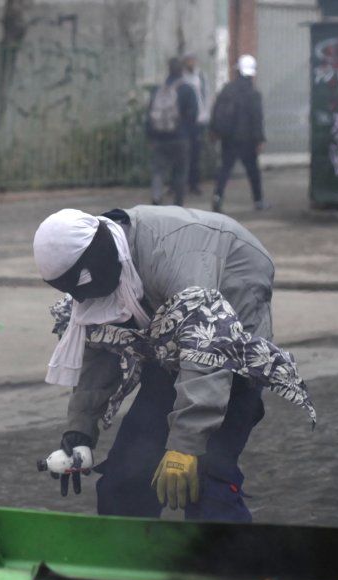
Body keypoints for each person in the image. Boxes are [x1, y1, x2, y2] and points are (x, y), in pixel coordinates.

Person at [32, 205, 282, 522]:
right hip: (172, 352)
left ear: (96, 260)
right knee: (124, 483)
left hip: (232, 349)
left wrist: (186, 446)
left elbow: (208, 346)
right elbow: (100, 349)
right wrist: (80, 433)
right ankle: (131, 564)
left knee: (207, 480)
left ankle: (232, 567)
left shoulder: (174, 259)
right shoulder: (104, 265)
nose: (84, 299)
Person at [210, 54, 267, 214]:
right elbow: (257, 118)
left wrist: (214, 131)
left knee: (225, 169)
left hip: (229, 138)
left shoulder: (228, 89)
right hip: (247, 140)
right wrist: (259, 139)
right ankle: (258, 200)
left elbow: (216, 110)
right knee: (253, 172)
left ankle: (217, 197)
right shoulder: (253, 93)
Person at [146, 58, 198, 206]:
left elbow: (149, 113)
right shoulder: (187, 89)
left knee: (158, 171)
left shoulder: (158, 90)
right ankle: (178, 203)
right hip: (180, 138)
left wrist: (150, 136)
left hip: (160, 138)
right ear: (181, 70)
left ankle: (156, 197)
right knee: (180, 172)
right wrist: (188, 134)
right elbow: (193, 115)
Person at [181, 53, 209, 195]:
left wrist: (205, 115)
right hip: (185, 122)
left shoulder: (200, 76)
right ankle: (180, 184)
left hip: (199, 120)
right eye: (189, 61)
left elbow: (205, 96)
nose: (191, 63)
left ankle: (194, 183)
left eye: (193, 60)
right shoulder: (182, 77)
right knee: (182, 155)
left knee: (195, 155)